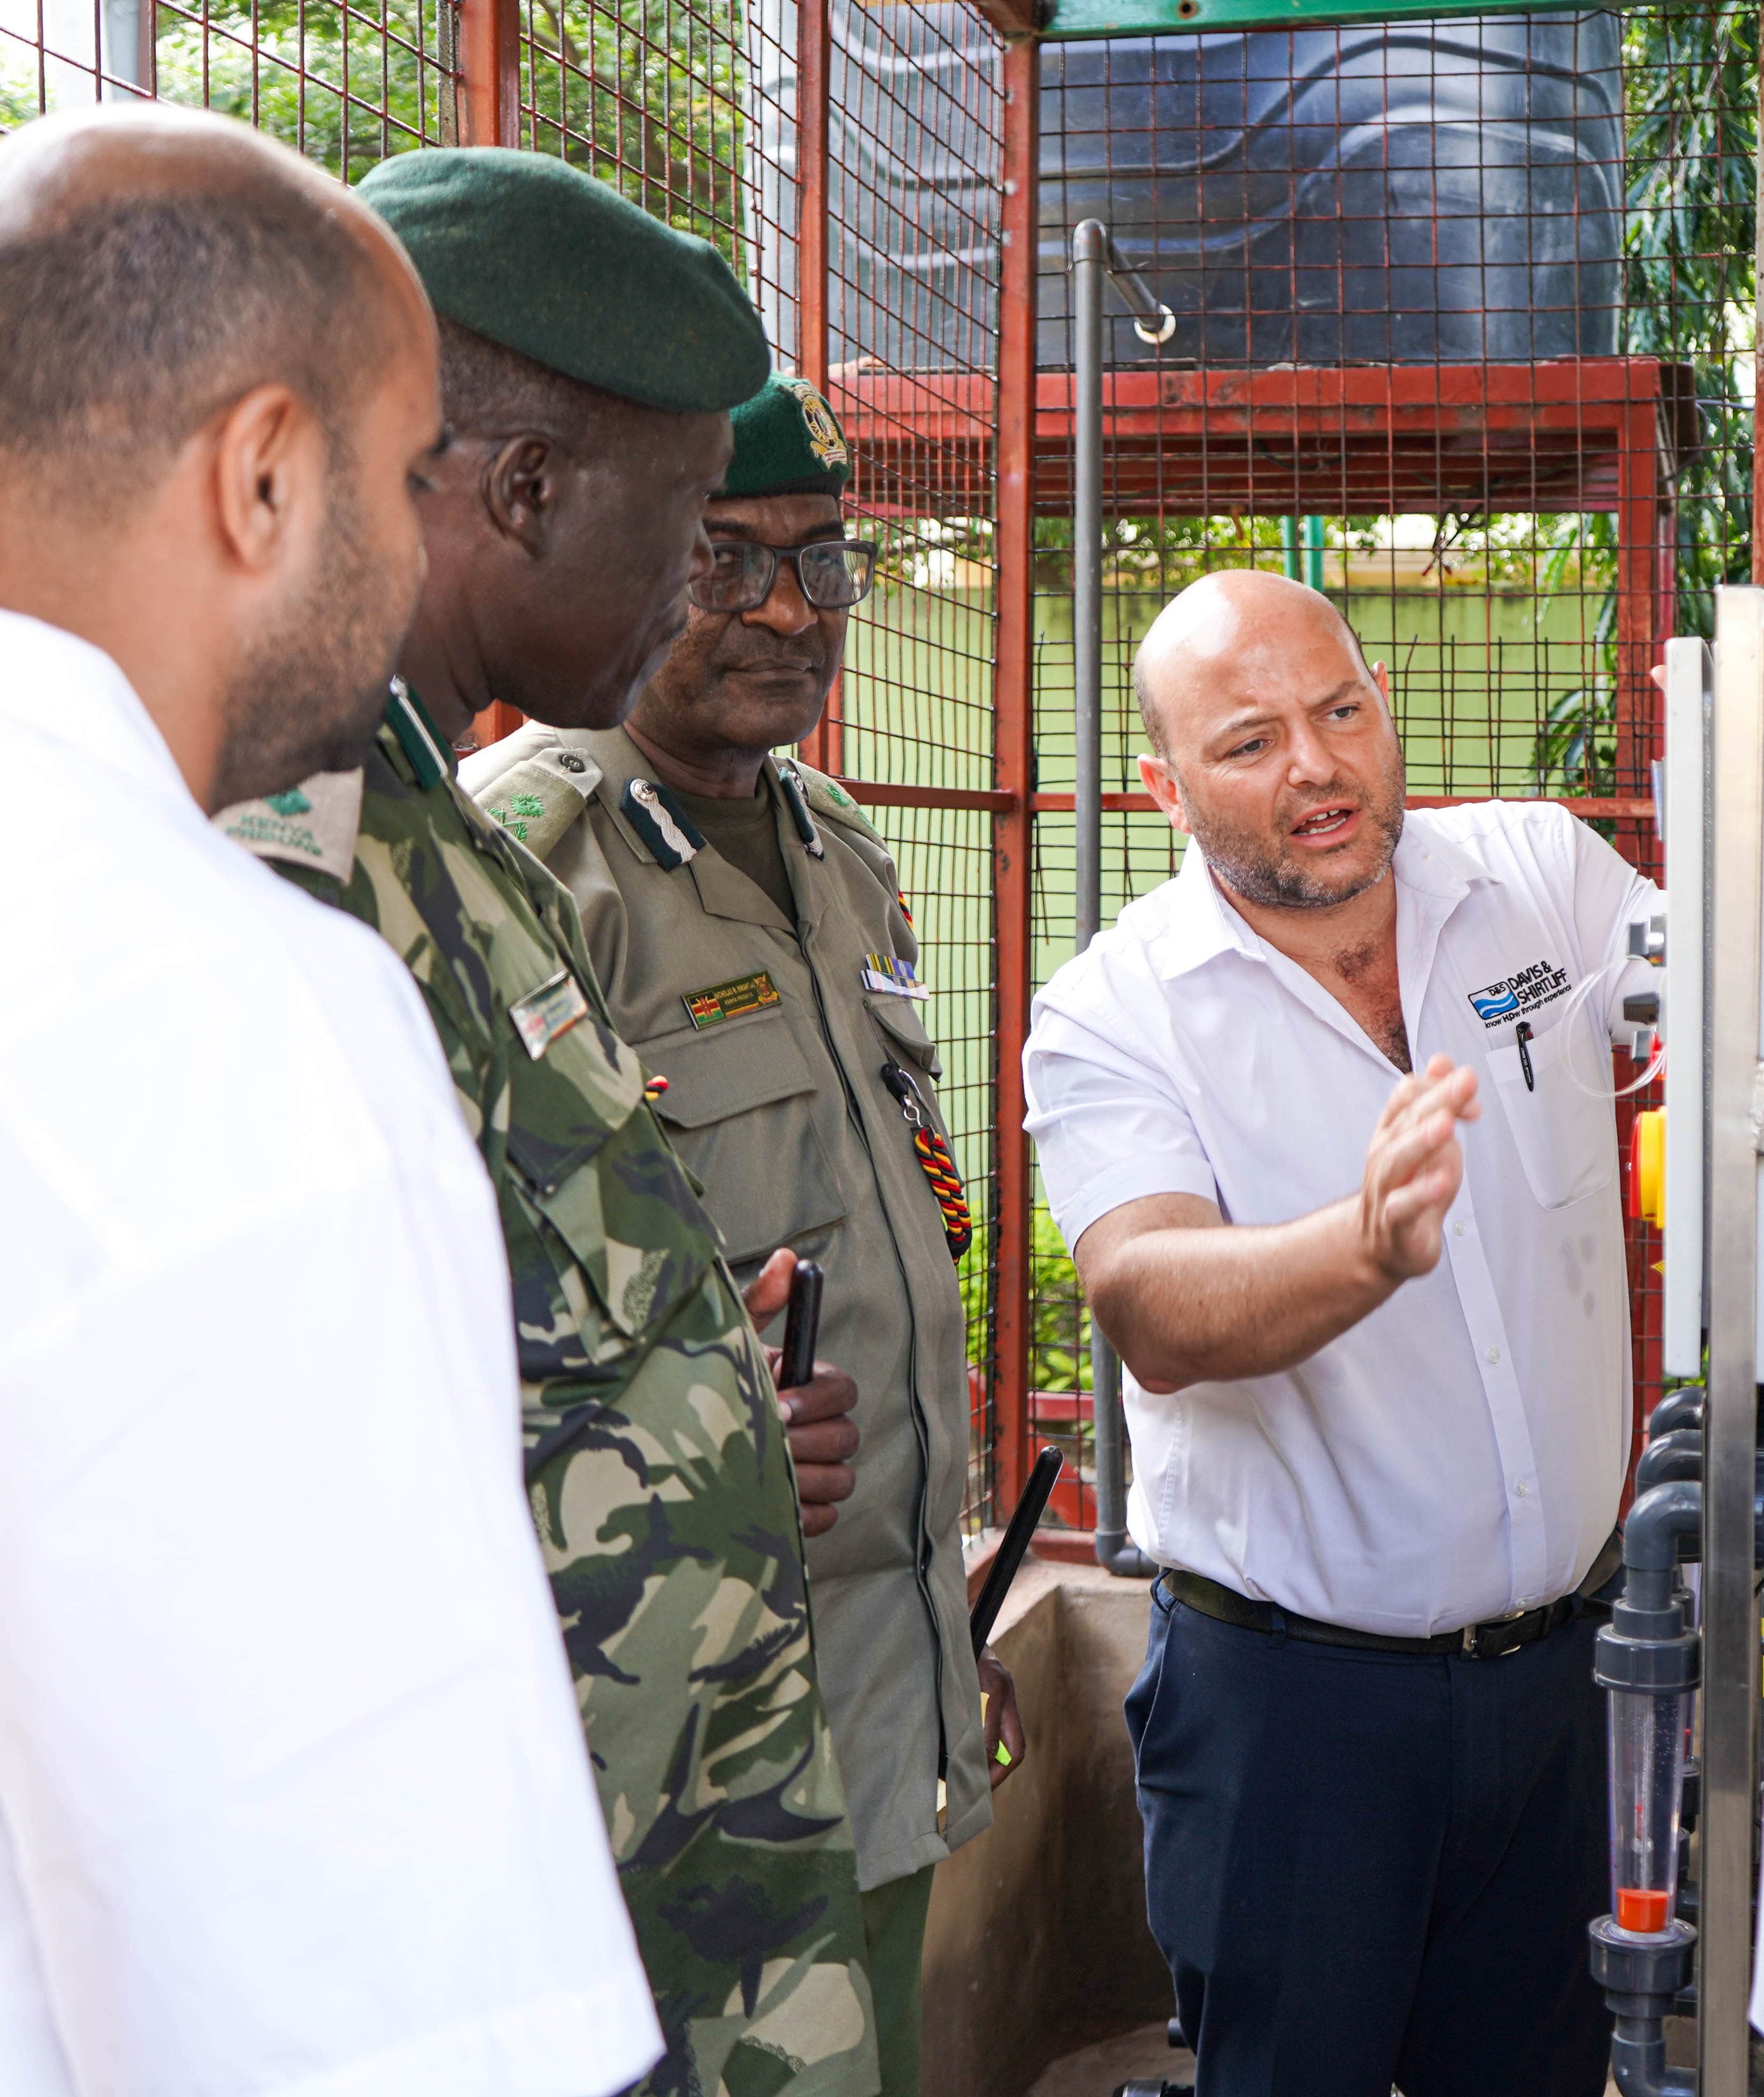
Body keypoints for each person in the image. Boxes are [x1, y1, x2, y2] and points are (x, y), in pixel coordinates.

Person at [0, 107, 659, 2096]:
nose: (413, 560)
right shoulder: (224, 1001)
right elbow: (381, 2005)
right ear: (263, 474)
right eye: (402, 478)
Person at [210, 153, 873, 2097]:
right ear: (522, 491)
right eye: (687, 531)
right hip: (494, 1943)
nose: (705, 595)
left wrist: (697, 1373)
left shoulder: (425, 819)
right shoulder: (270, 854)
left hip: (661, 1880)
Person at [1020, 569, 1659, 2097]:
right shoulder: (1114, 1010)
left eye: (1341, 711)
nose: (1316, 765)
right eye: (1250, 744)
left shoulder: (1540, 881)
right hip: (1293, 1720)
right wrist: (1362, 1249)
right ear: (1165, 790)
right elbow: (1149, 1302)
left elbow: (1722, 1012)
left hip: (1562, 1689)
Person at [464, 374, 1014, 2095]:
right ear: (637, 558)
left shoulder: (837, 850)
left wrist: (943, 1628)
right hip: (679, 1719)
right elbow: (455, 1321)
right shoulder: (528, 860)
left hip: (884, 1691)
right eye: (729, 560)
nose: (791, 612)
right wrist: (686, 1424)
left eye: (824, 561)